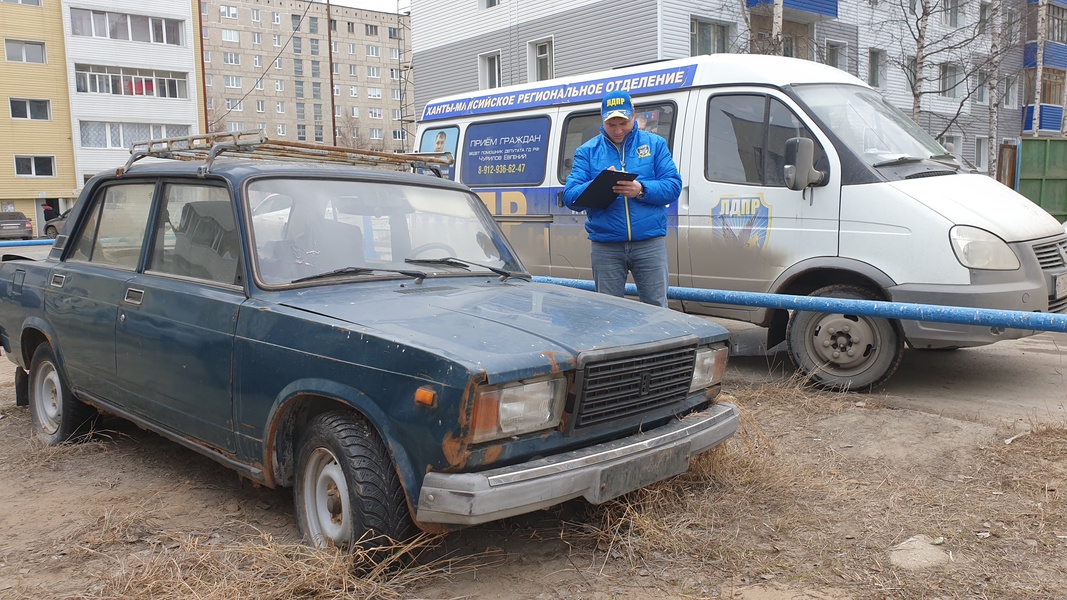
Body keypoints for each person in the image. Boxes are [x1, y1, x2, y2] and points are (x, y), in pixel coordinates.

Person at [562, 90, 681, 308]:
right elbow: (570, 197)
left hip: (649, 243)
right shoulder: (586, 152)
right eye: (611, 124)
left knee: (656, 309)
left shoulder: (655, 145)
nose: (618, 130)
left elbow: (673, 186)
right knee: (609, 312)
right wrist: (599, 183)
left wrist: (641, 189)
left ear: (633, 115)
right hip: (606, 245)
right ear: (602, 119)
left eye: (623, 123)